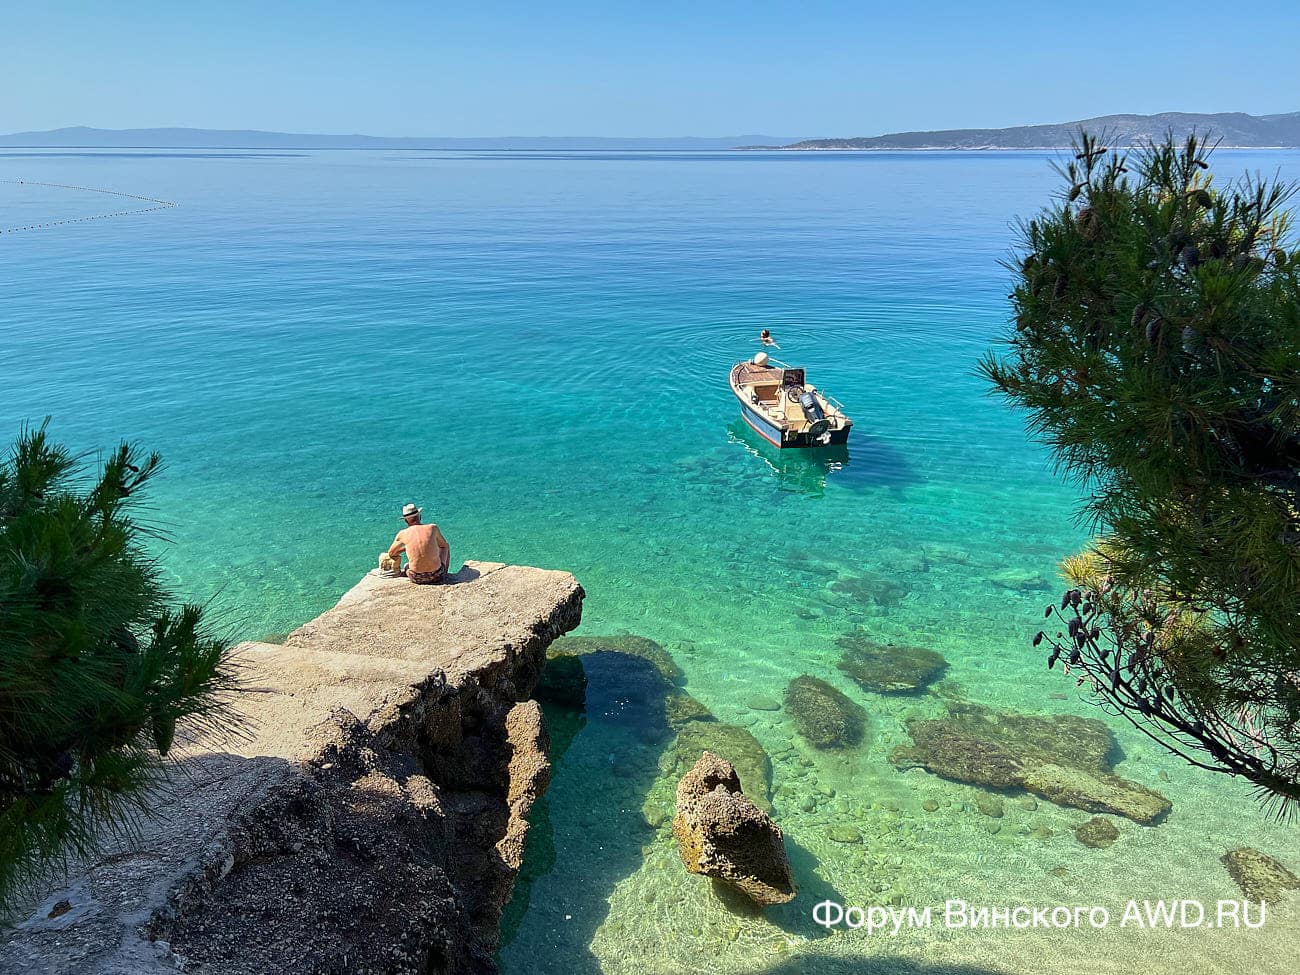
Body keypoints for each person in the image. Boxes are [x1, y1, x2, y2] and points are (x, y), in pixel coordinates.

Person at [385, 503, 451, 584]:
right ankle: (445, 574)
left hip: (416, 578)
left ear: (406, 520)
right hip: (438, 575)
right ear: (419, 516)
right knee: (446, 546)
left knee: (406, 566)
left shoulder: (403, 534)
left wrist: (406, 548)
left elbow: (391, 553)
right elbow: (443, 545)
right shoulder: (432, 528)